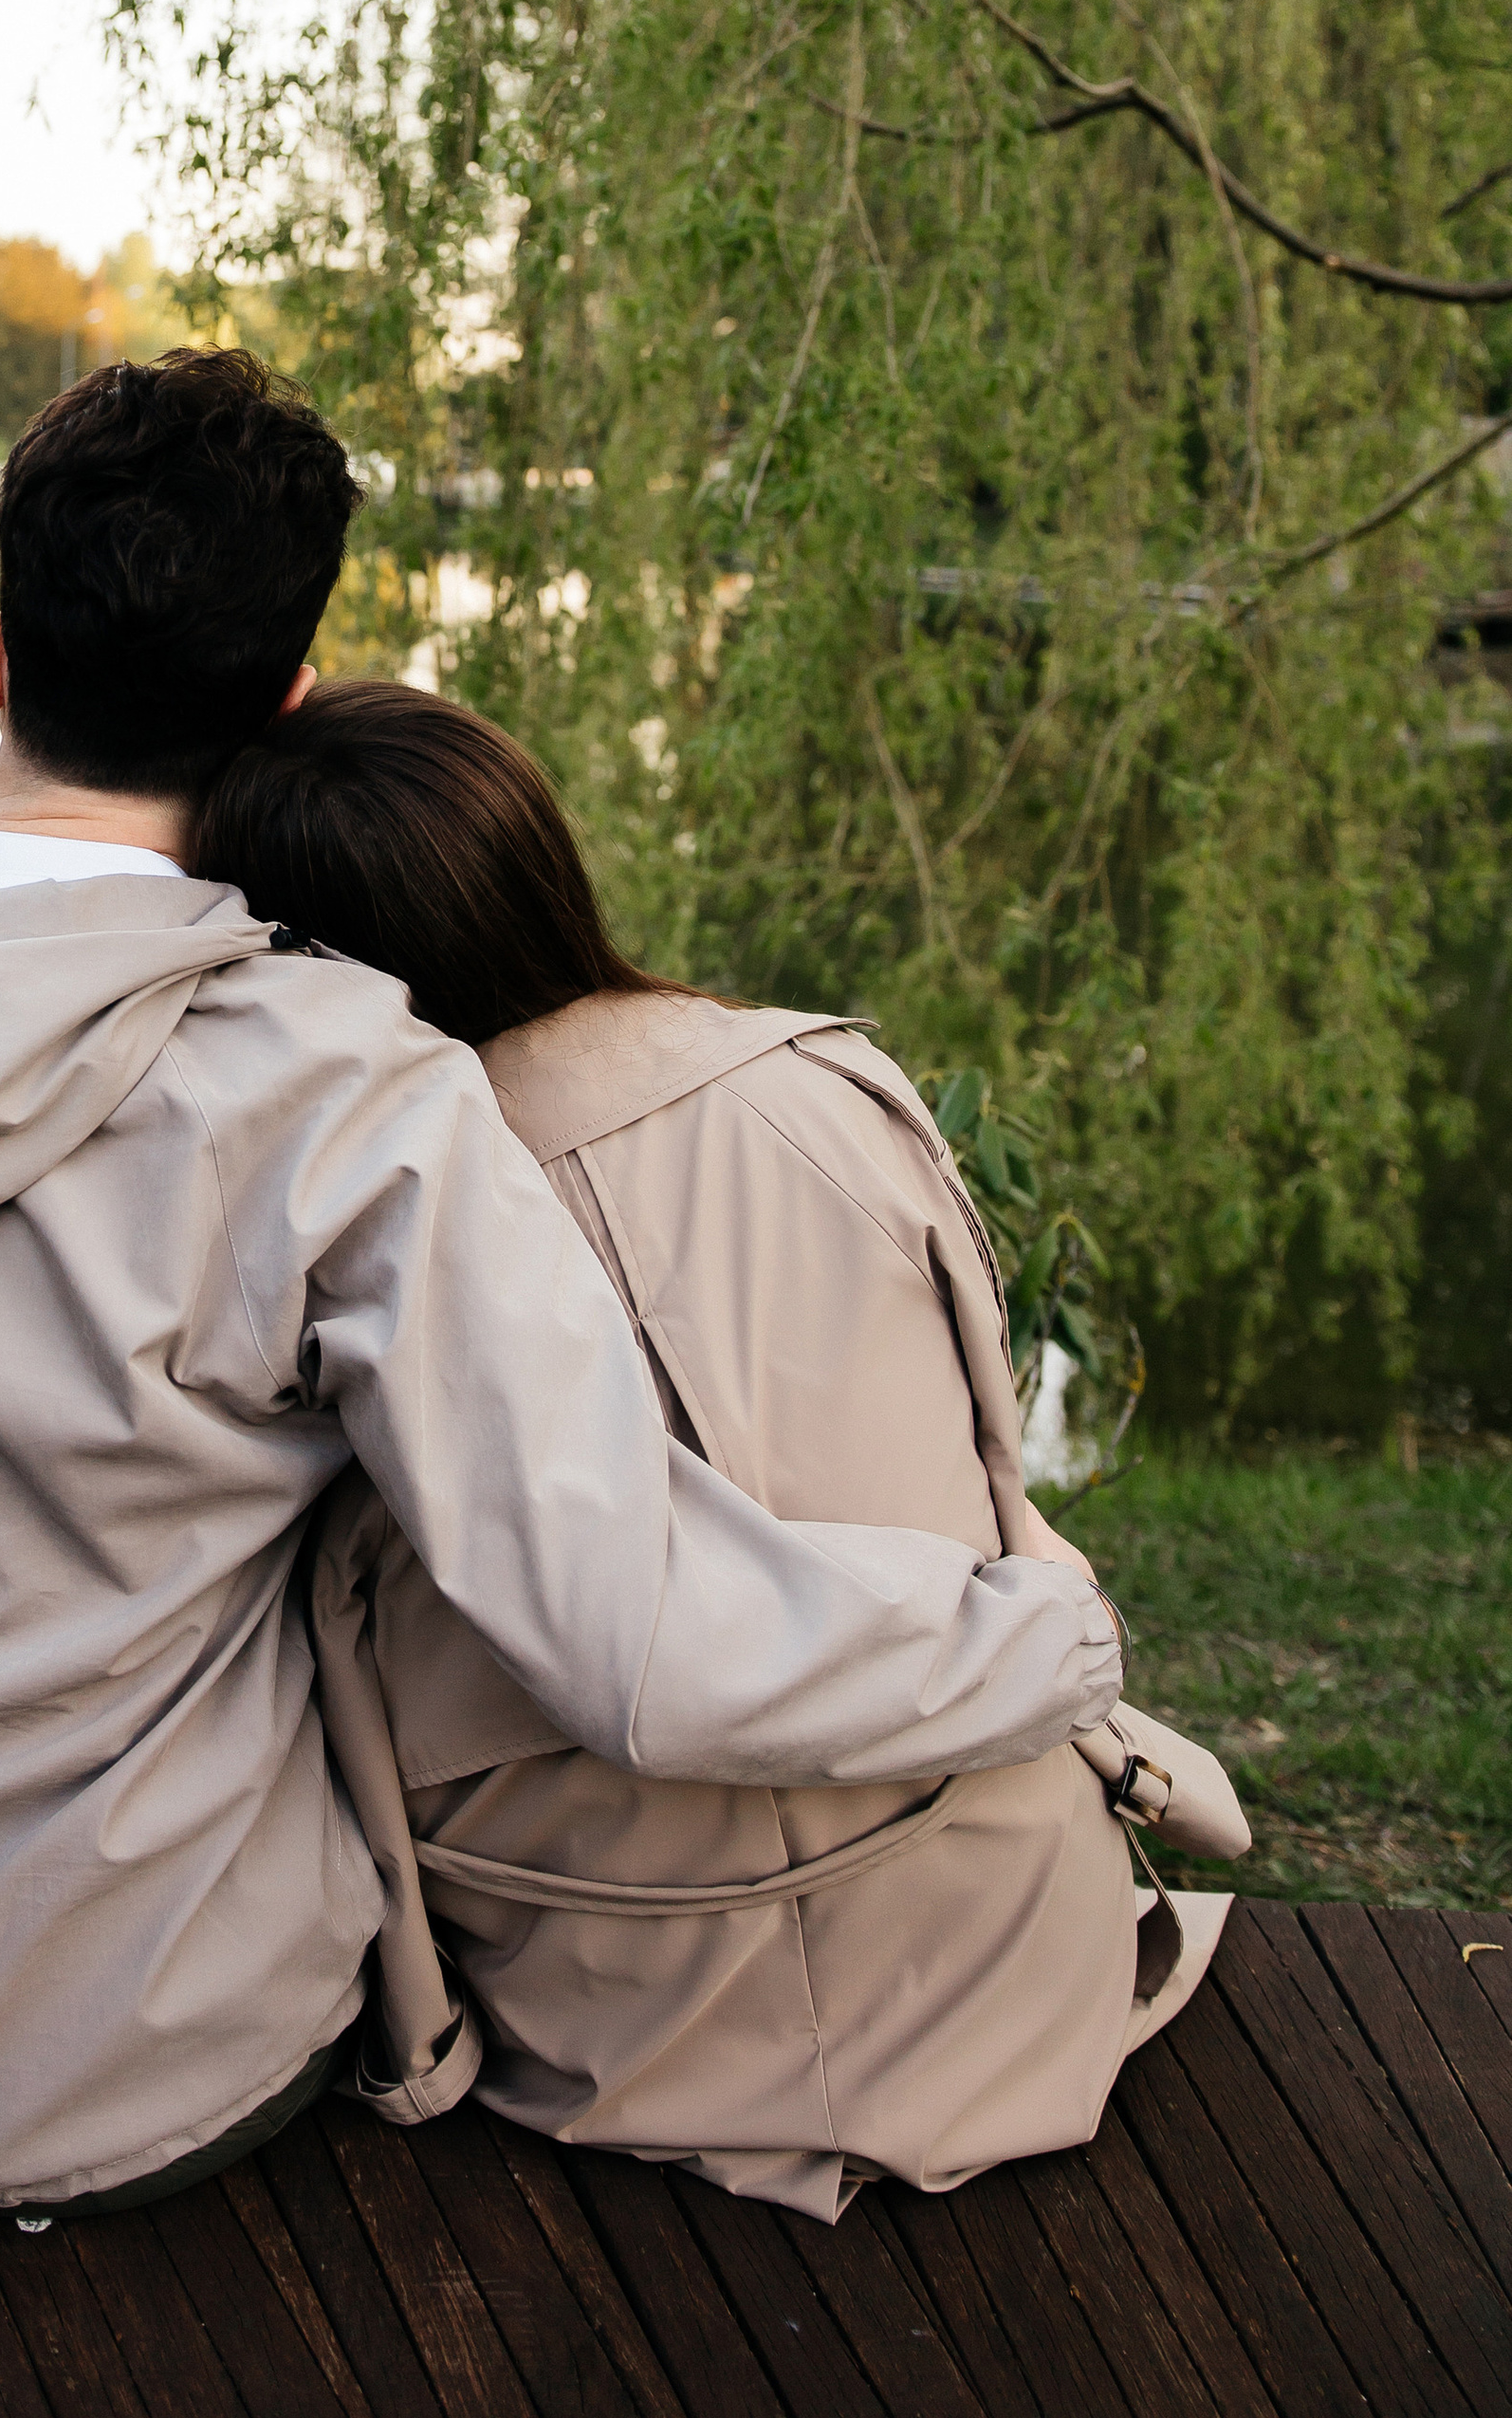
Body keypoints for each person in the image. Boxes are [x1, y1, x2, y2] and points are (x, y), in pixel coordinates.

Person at [0, 354, 1124, 2223]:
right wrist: (1041, 1641)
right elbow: (634, 1634)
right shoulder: (336, 1085)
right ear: (281, 704)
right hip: (130, 2060)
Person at [192, 677, 1244, 2221]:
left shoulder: (343, 1227)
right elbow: (997, 1487)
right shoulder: (829, 1087)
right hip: (1013, 1954)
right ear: (535, 865)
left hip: (620, 2010)